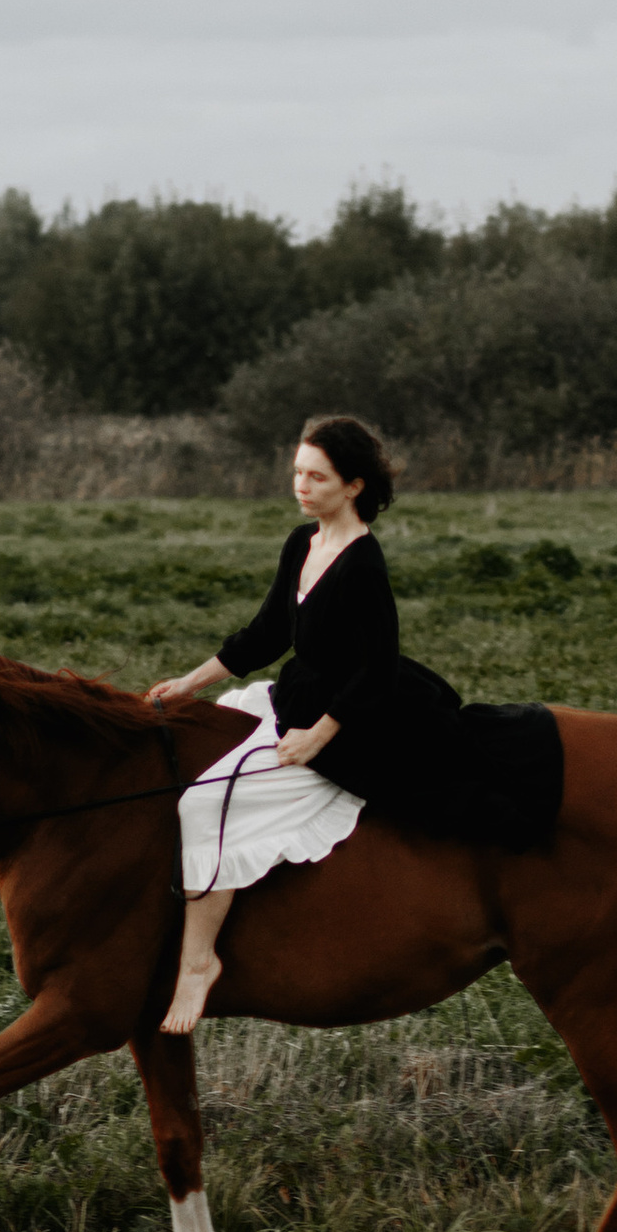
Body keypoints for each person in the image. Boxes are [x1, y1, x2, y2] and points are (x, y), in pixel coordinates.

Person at [147, 415, 461, 1034]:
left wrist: (319, 736)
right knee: (190, 755)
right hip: (295, 697)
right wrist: (189, 683)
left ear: (353, 486)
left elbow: (375, 671)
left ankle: (198, 962)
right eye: (297, 473)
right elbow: (266, 633)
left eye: (316, 477)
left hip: (350, 725)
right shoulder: (302, 542)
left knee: (205, 806)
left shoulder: (363, 563)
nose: (301, 485)